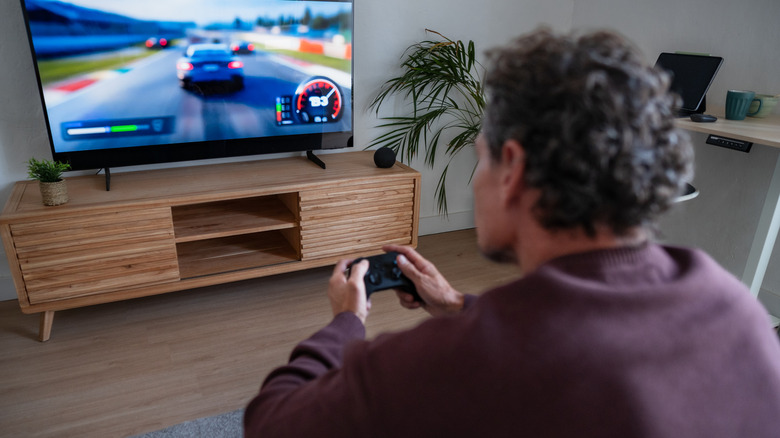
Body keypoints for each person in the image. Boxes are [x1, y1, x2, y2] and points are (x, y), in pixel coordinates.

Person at [244, 28, 780, 437]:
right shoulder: (733, 305)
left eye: (480, 158)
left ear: (514, 170)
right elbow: (567, 342)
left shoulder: (446, 361)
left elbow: (272, 422)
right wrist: (457, 305)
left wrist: (346, 322)